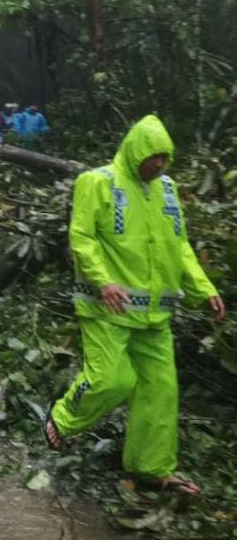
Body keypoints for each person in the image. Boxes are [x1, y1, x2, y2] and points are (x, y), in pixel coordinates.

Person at [44, 115, 225, 495]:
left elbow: (180, 247)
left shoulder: (168, 190)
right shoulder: (98, 182)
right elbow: (82, 237)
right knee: (113, 380)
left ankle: (152, 468)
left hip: (155, 316)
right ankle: (61, 418)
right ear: (135, 151)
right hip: (106, 309)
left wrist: (203, 289)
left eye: (164, 158)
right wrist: (103, 280)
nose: (158, 164)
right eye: (152, 156)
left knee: (161, 391)